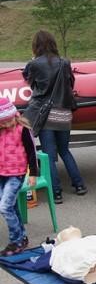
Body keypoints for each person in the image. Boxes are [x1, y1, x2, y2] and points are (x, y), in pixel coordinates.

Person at [22, 30, 87, 204]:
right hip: (64, 113)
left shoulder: (34, 64)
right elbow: (70, 83)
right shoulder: (64, 62)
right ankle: (79, 185)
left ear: (36, 46)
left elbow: (28, 80)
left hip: (45, 115)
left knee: (49, 155)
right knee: (65, 150)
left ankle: (56, 192)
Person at [0, 98, 37, 256]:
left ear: (14, 116)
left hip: (16, 173)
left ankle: (16, 241)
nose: (5, 126)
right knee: (11, 206)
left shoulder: (22, 129)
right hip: (1, 172)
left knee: (5, 207)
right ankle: (22, 237)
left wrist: (33, 173)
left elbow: (32, 153)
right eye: (2, 123)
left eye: (7, 122)